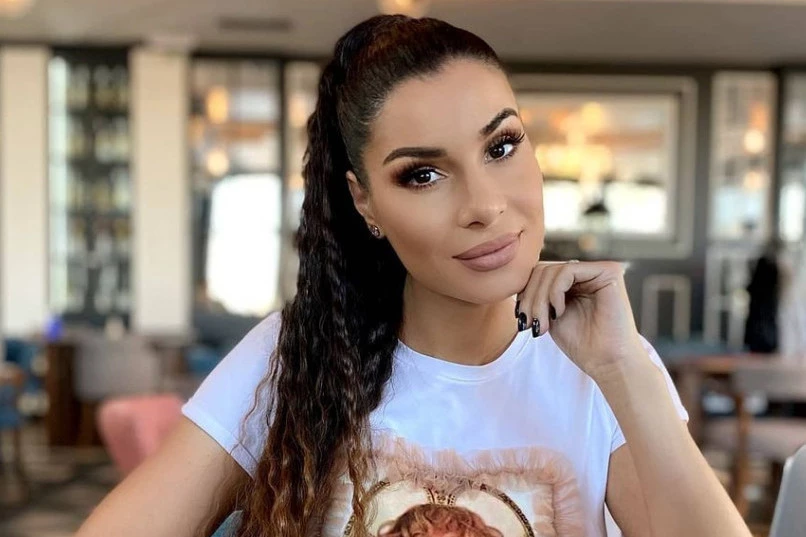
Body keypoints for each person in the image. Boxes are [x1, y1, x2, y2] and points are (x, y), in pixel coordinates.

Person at [76, 15, 751, 537]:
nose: (485, 205)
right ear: (365, 201)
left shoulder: (606, 369)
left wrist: (623, 368)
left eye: (502, 146)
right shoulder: (299, 351)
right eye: (423, 174)